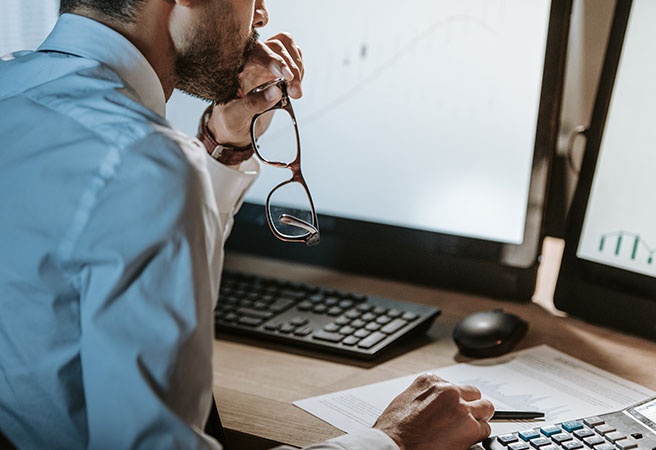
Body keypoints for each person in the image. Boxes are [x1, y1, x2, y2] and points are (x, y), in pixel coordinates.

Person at [0, 0, 495, 448]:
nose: (259, 15)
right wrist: (393, 441)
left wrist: (225, 144)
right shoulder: (143, 165)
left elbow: (104, 238)